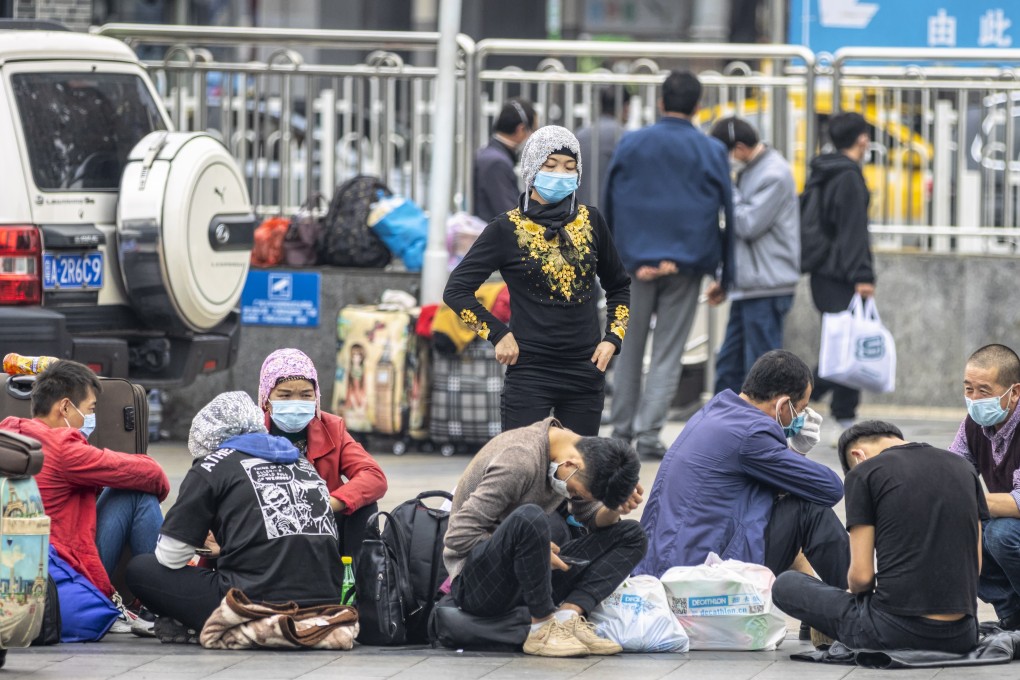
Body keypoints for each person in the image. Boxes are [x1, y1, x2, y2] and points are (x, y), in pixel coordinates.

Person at [444, 125, 631, 436]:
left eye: (570, 167)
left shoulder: (592, 220)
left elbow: (619, 285)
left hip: (586, 371)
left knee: (579, 477)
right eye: (550, 165)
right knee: (522, 471)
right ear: (532, 169)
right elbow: (457, 290)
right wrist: (497, 333)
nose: (561, 174)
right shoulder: (506, 228)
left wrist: (613, 338)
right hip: (530, 373)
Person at [126, 392, 342, 642]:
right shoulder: (302, 463)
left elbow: (170, 557)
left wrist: (198, 536)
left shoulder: (210, 466)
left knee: (141, 569)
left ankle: (226, 627)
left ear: (206, 439)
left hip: (251, 601)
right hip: (324, 600)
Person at [635, 350, 847, 588]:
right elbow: (831, 488)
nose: (802, 419)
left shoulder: (717, 410)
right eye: (801, 409)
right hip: (700, 574)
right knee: (809, 511)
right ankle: (862, 605)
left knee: (788, 505)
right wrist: (796, 451)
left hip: (664, 565)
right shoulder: (752, 434)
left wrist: (793, 455)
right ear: (783, 404)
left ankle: (820, 612)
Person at [604, 70, 732, 457]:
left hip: (632, 266)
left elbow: (610, 203)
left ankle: (620, 430)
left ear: (660, 102)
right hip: (686, 265)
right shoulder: (711, 150)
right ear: (698, 105)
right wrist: (726, 271)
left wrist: (615, 259)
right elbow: (726, 213)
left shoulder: (631, 143)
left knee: (625, 346)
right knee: (667, 353)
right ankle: (647, 435)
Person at [774, 421, 984, 653]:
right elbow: (976, 568)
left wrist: (853, 595)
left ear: (858, 456)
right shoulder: (963, 467)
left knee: (786, 584)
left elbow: (862, 579)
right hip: (963, 635)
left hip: (892, 631)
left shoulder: (865, 473)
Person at [444, 417, 646, 658]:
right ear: (571, 464)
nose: (571, 494)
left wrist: (615, 508)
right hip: (478, 584)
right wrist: (526, 550)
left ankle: (567, 617)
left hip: (528, 573)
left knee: (632, 535)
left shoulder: (575, 453)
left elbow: (589, 517)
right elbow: (458, 535)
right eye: (575, 491)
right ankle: (541, 628)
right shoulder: (520, 461)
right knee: (530, 517)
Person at [0, 360, 170, 634]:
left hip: (19, 564)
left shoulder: (10, 434)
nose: (90, 418)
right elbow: (152, 473)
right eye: (90, 409)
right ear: (65, 407)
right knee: (138, 493)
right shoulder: (63, 448)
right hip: (65, 570)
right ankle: (162, 605)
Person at [257, 348, 387, 563]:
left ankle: (355, 585)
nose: (296, 402)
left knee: (364, 506)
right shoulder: (250, 430)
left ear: (316, 397)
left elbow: (373, 476)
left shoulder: (332, 428)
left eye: (306, 395)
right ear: (266, 398)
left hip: (321, 523)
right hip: (268, 524)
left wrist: (328, 502)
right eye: (285, 395)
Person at [707, 116, 800, 395]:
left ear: (739, 148)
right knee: (729, 367)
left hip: (767, 287)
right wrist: (726, 280)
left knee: (761, 374)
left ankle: (762, 432)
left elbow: (747, 224)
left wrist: (726, 187)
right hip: (749, 286)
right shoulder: (752, 170)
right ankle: (721, 429)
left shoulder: (774, 173)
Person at [806, 111, 876, 430]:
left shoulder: (823, 171)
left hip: (822, 272)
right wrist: (863, 275)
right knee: (846, 348)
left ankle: (834, 413)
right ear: (861, 139)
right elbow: (853, 231)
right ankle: (797, 400)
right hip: (842, 274)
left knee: (842, 346)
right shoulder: (848, 176)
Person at [949, 343, 1020, 629]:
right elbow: (951, 471)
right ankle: (1012, 613)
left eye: (984, 391)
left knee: (1001, 534)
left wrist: (964, 500)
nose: (975, 399)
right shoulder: (973, 425)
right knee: (950, 532)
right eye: (969, 390)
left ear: (1014, 392)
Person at [473, 98, 537, 222]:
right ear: (521, 129)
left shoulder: (490, 154)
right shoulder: (497, 163)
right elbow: (509, 214)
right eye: (533, 130)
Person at [575, 87, 627, 207]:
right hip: (609, 212)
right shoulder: (624, 137)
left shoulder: (579, 135)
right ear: (625, 107)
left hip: (580, 213)